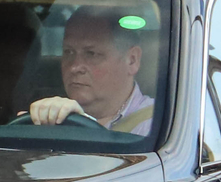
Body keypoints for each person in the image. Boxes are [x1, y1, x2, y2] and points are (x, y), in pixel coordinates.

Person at [24, 8, 156, 133]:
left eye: (91, 54)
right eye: (68, 52)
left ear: (132, 60)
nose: (74, 67)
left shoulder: (159, 126)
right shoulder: (51, 116)